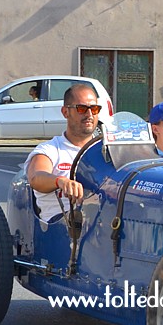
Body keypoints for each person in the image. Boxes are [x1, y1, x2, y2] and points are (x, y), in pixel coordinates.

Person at [24, 83, 101, 222]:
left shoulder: (107, 149)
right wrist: (61, 181)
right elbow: (36, 177)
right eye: (82, 109)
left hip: (102, 220)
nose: (89, 114)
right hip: (64, 225)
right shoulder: (50, 150)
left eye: (94, 109)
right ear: (65, 112)